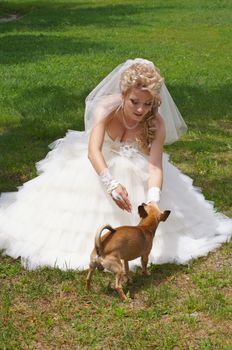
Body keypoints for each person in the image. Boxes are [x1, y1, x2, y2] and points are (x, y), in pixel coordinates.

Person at [0, 58, 231, 270]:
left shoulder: (156, 123)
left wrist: (153, 200)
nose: (141, 110)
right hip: (99, 165)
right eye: (134, 102)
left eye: (147, 104)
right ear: (123, 93)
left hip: (138, 169)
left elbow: (154, 167)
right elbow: (93, 150)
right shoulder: (106, 109)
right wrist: (110, 183)